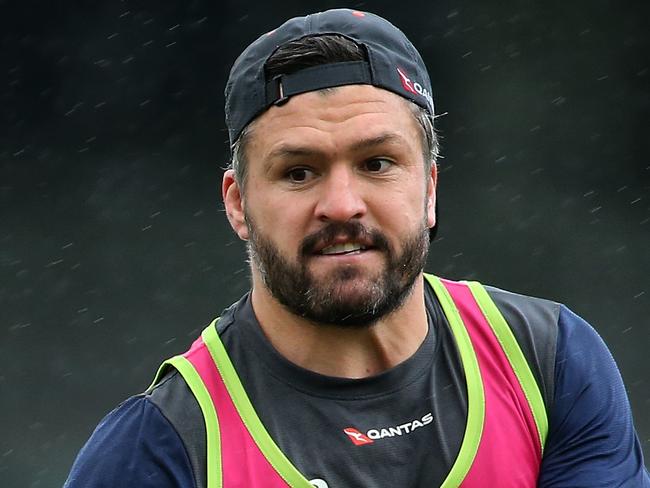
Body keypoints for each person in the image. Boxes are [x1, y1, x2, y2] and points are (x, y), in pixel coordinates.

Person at [64, 8, 649, 488]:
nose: (341, 204)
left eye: (377, 163)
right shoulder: (164, 447)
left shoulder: (550, 363)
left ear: (430, 188)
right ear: (238, 204)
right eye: (298, 172)